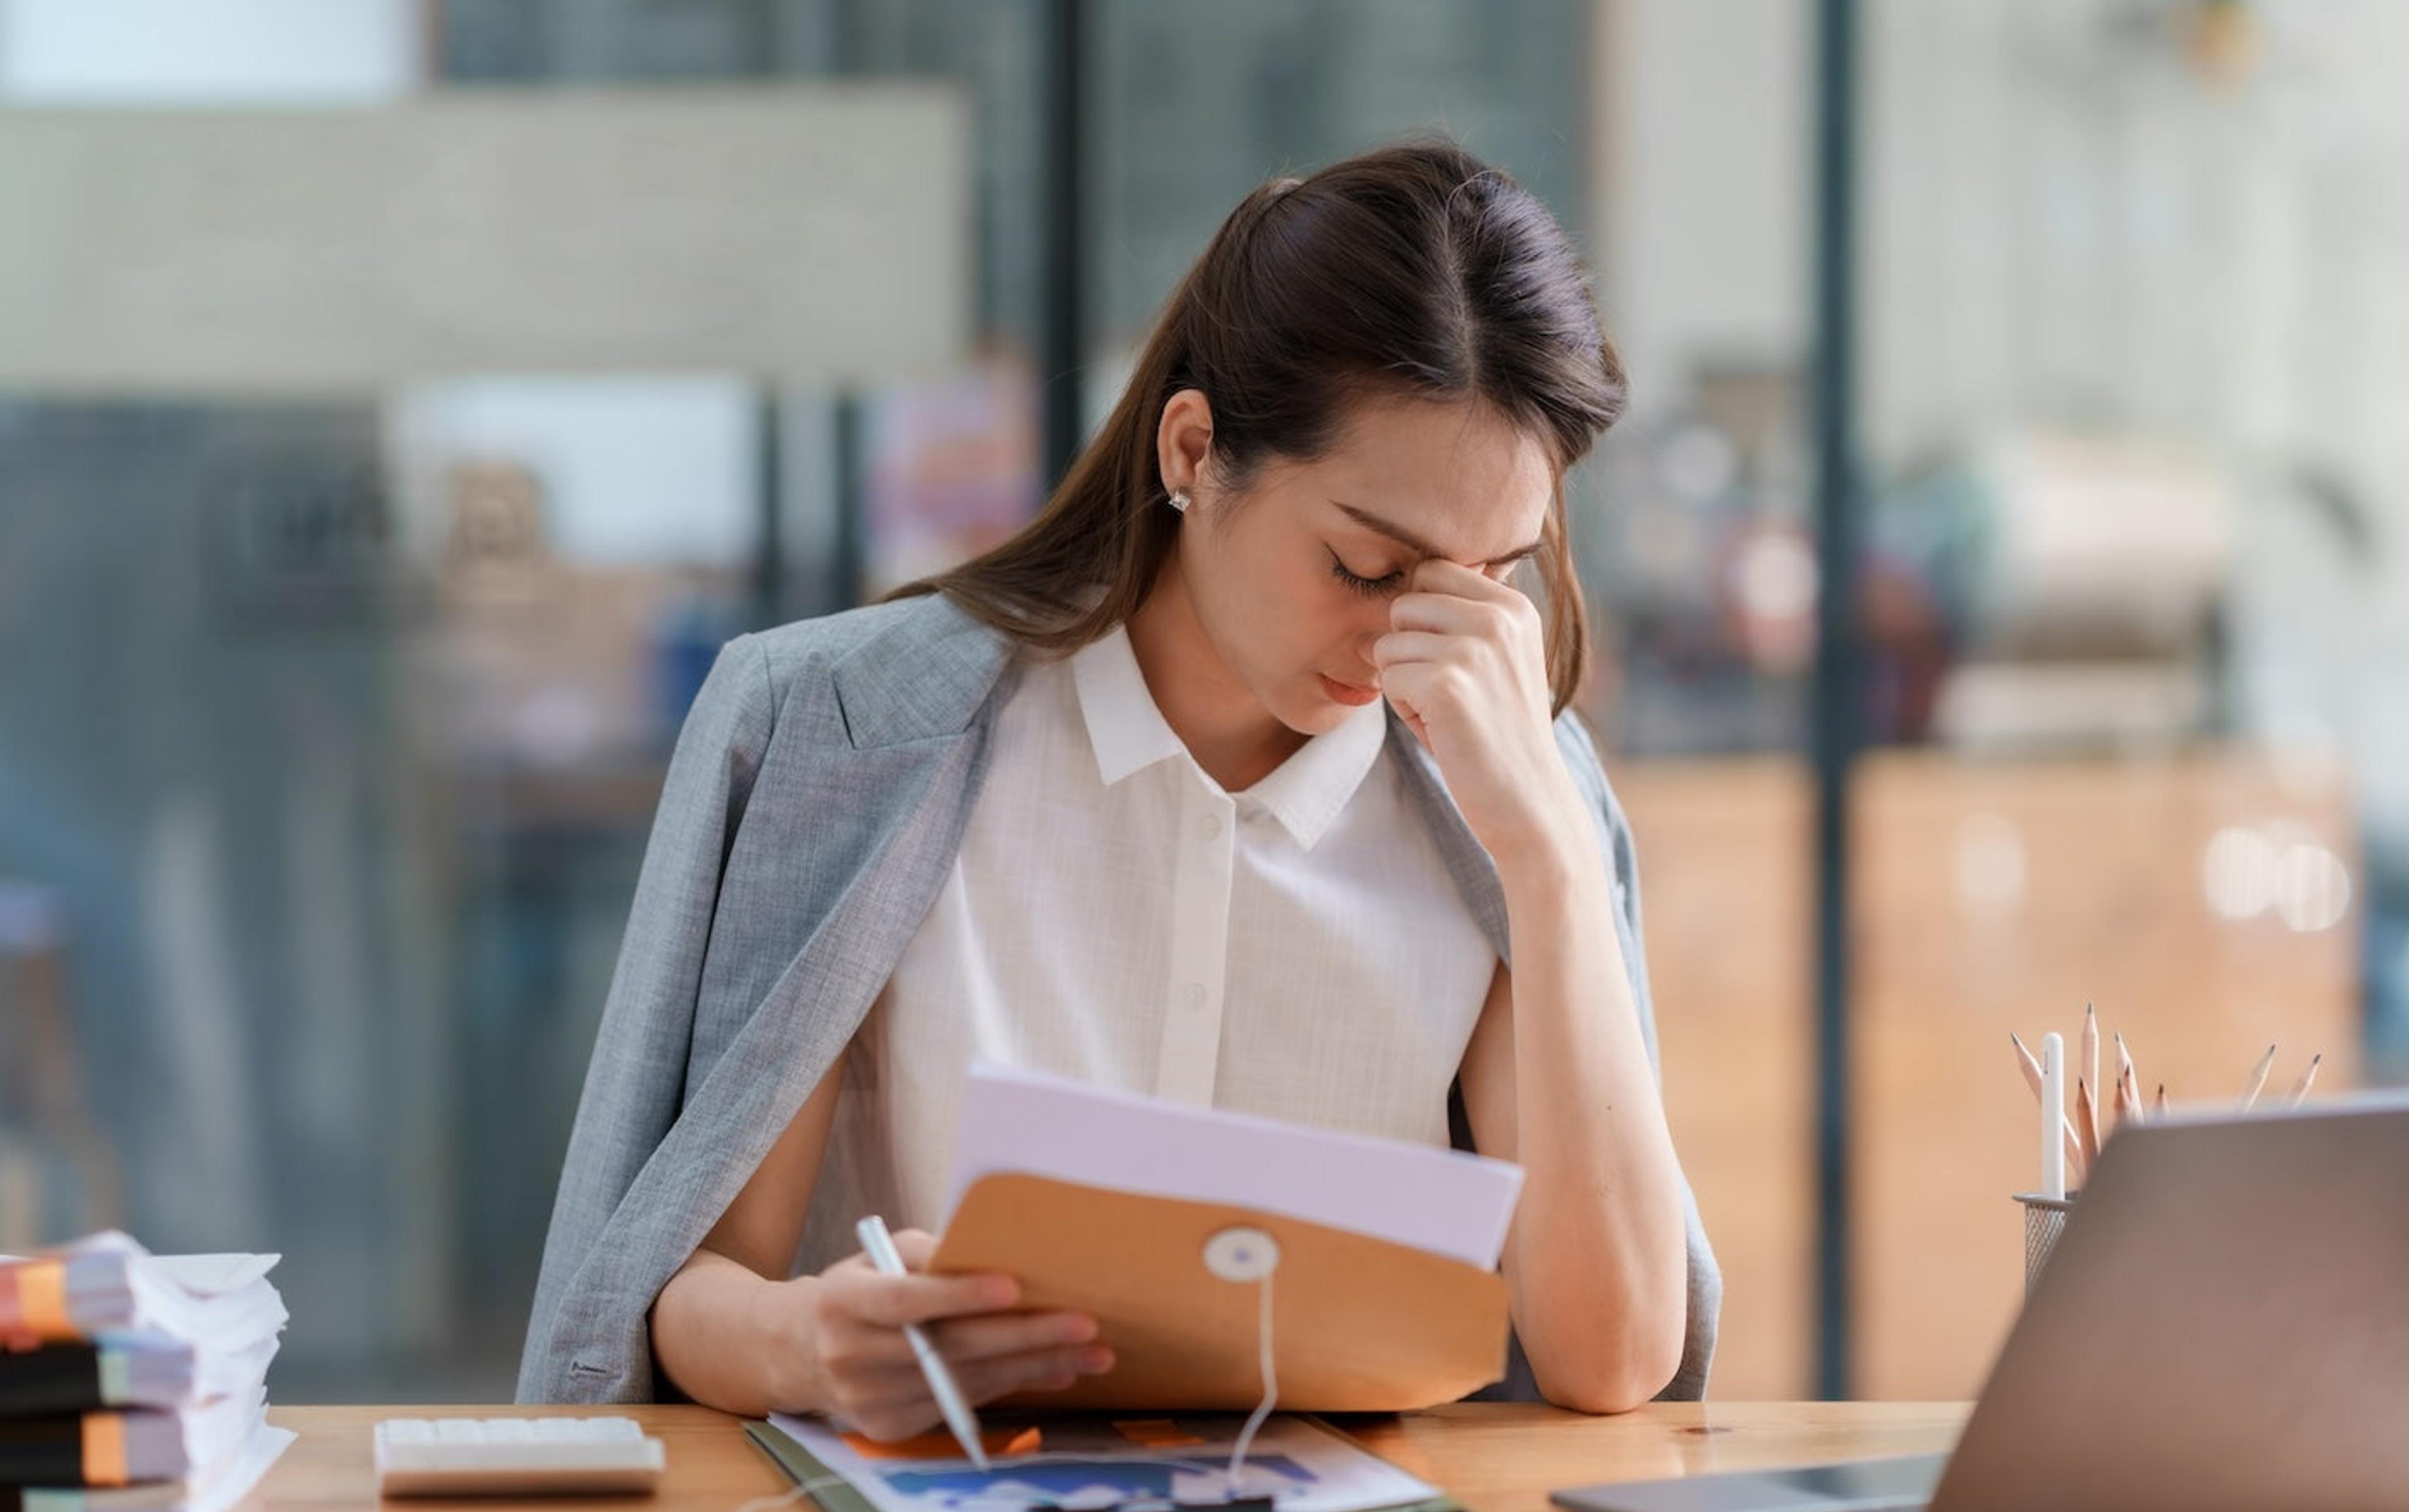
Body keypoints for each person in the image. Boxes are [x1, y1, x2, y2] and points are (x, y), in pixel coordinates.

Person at [519, 139, 1720, 1429]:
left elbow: (1611, 1362)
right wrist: (807, 1345)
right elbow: (687, 1290)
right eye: (1368, 569)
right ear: (1194, 450)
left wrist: (1549, 859)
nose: (1413, 644)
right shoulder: (846, 732)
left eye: (1491, 579)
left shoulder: (1508, 794)